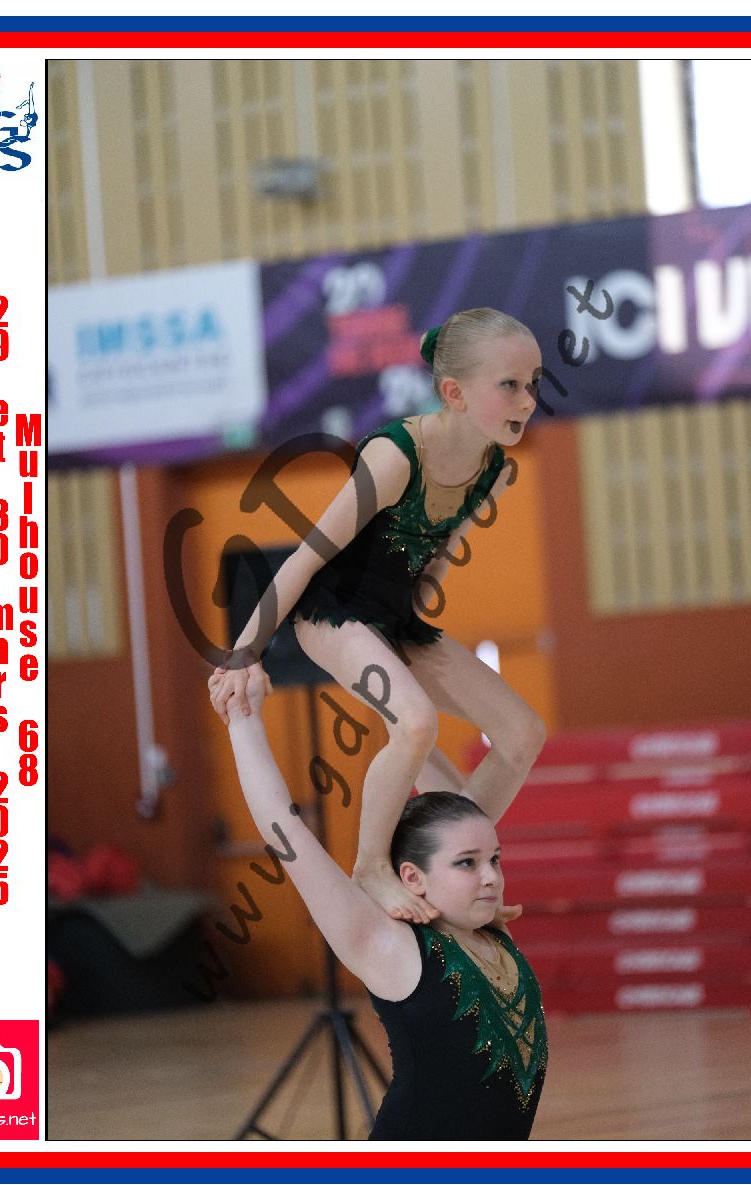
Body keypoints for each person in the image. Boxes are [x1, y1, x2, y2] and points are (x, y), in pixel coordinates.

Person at [209, 307, 546, 924]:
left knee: (523, 734)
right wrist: (244, 652)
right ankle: (371, 866)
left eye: (534, 382)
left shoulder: (494, 469)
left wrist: (414, 628)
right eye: (510, 384)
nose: (528, 399)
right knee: (415, 723)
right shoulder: (395, 457)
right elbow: (305, 559)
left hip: (397, 618)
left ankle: (454, 868)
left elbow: (439, 554)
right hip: (331, 611)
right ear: (454, 393)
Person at [218, 671, 548, 1140]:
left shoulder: (493, 933)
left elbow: (458, 809)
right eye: (467, 864)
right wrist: (242, 716)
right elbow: (282, 827)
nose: (491, 877)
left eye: (494, 859)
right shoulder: (388, 946)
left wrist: (391, 687)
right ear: (412, 878)